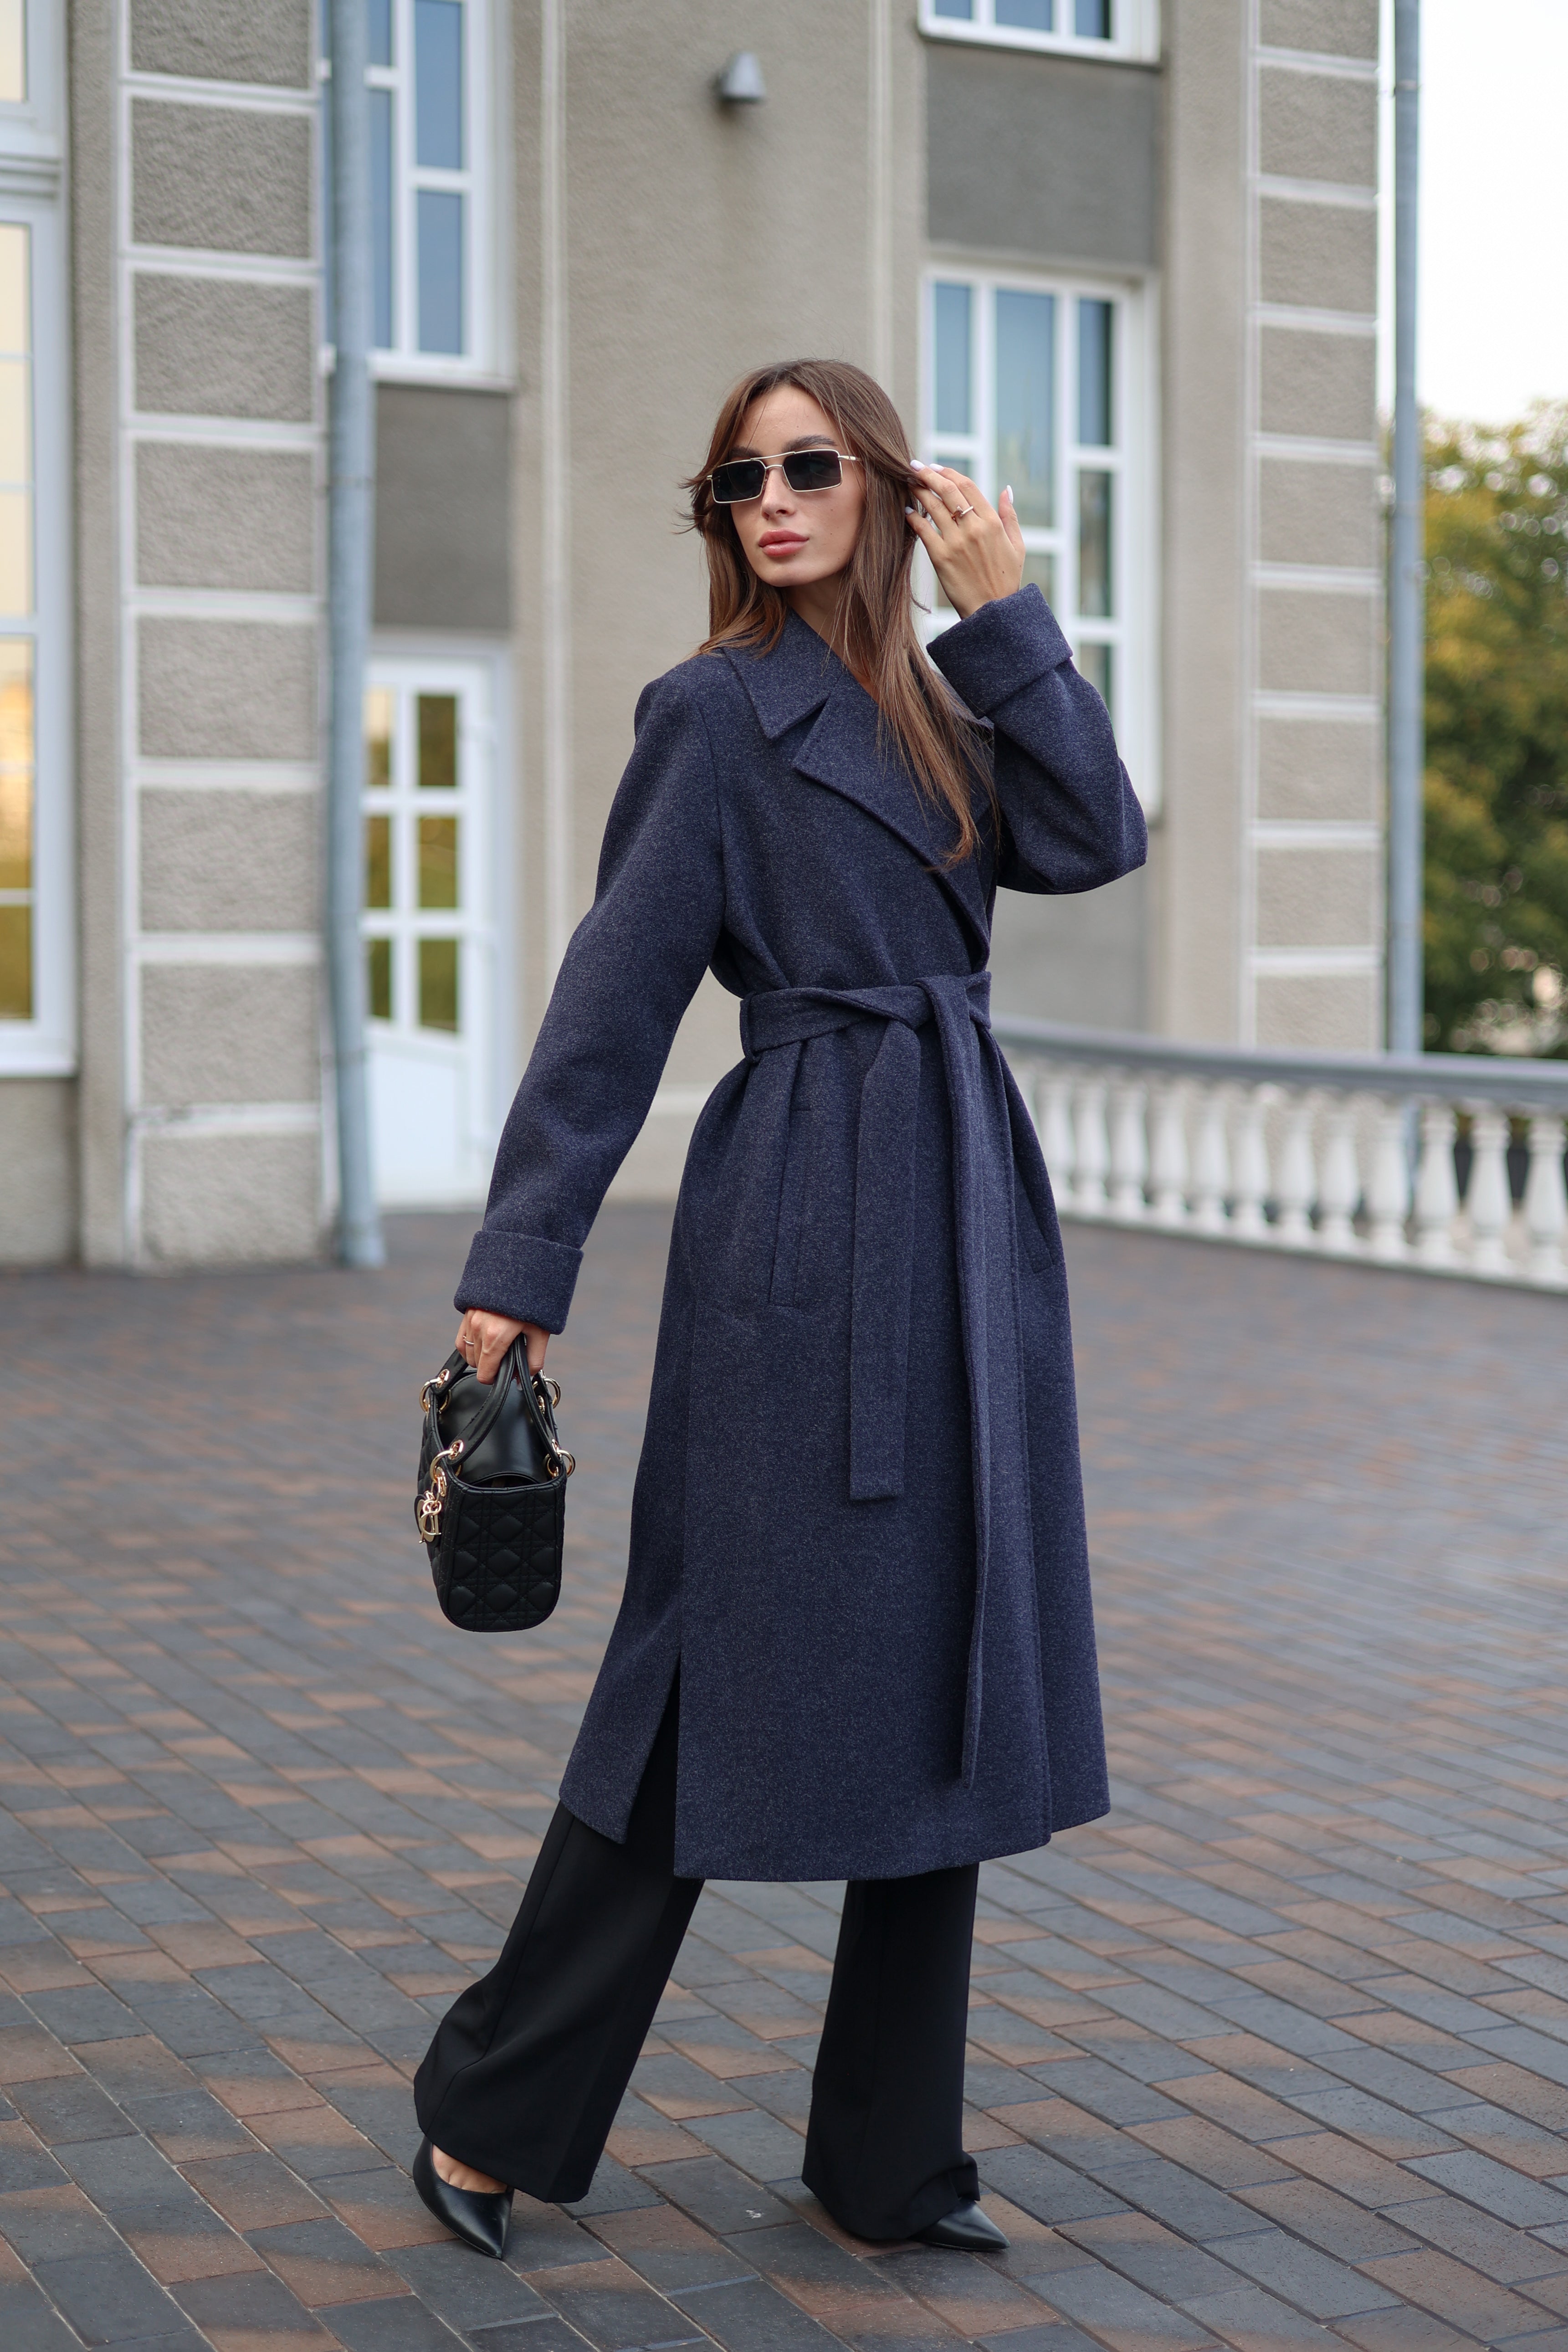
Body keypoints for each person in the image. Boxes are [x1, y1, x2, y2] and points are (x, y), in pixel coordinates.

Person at [410, 358, 1147, 2260]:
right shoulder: (716, 717)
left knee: (949, 1672)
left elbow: (1097, 838)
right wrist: (520, 1278)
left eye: (813, 467)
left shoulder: (946, 698)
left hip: (966, 1204)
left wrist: (1013, 613)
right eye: (743, 476)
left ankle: (889, 2157)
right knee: (698, 1667)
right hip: (804, 1220)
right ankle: (491, 2109)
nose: (775, 500)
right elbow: (611, 1005)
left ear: (889, 488)